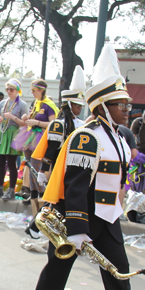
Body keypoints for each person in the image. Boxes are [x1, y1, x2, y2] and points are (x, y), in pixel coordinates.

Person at [24, 46, 145, 290]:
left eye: (127, 102)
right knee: (58, 268)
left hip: (107, 217)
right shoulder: (89, 137)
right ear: (102, 105)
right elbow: (76, 186)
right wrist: (78, 228)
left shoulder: (120, 135)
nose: (127, 107)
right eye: (120, 103)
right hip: (82, 216)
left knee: (119, 271)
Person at [25, 66, 87, 235]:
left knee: (57, 202)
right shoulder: (58, 124)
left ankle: (35, 227)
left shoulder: (80, 124)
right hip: (57, 168)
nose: (79, 109)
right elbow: (51, 150)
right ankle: (36, 227)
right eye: (77, 106)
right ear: (68, 105)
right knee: (55, 201)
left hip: (70, 168)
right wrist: (43, 171)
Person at [14, 79, 57, 202]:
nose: (31, 92)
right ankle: (31, 193)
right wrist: (27, 117)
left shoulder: (49, 105)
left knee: (38, 167)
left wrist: (37, 122)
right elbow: (33, 116)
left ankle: (42, 195)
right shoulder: (36, 103)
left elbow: (53, 124)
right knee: (29, 164)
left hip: (42, 138)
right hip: (30, 136)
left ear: (41, 90)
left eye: (34, 90)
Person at [0, 79, 26, 199]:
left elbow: (24, 123)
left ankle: (11, 190)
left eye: (12, 89)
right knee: (0, 162)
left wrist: (13, 117)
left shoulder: (22, 105)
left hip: (13, 134)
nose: (9, 91)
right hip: (2, 133)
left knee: (11, 163)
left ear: (17, 90)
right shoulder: (3, 103)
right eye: (7, 89)